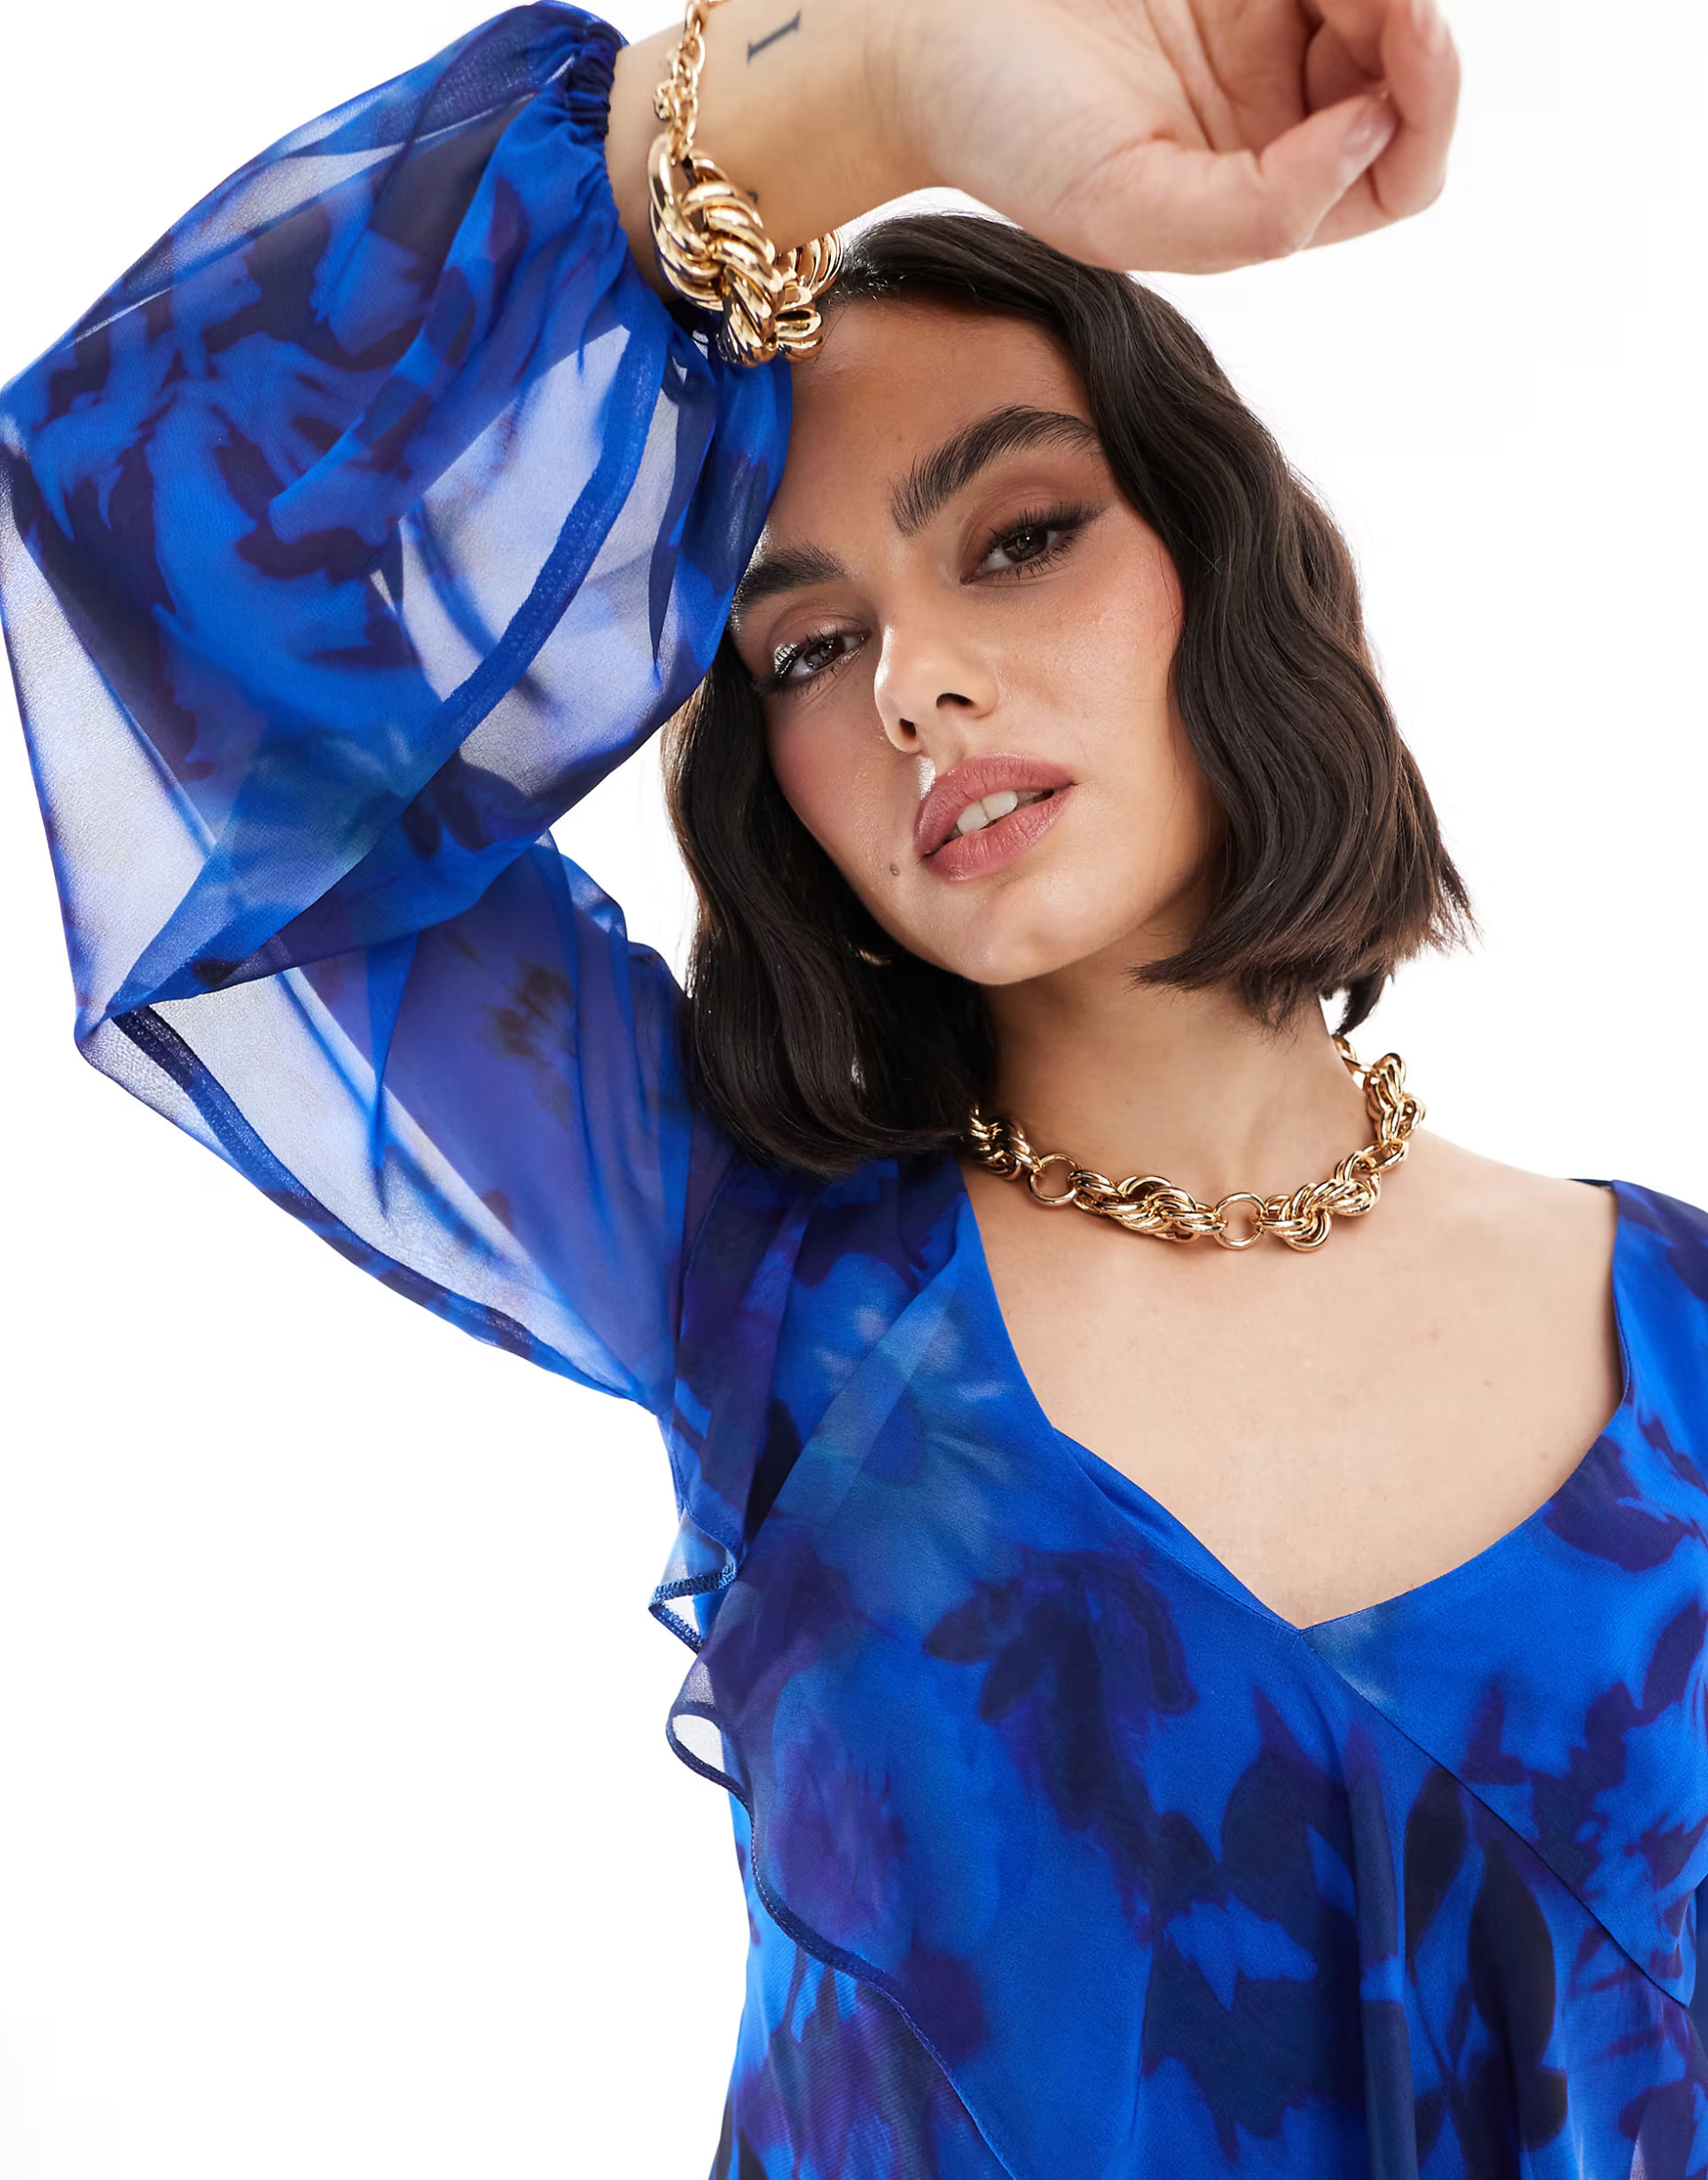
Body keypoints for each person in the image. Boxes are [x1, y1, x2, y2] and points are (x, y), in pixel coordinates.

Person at [1, 0, 1704, 2170]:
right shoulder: (741, 1258)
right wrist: (880, 83)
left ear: (1224, 560)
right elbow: (139, 558)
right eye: (809, 646)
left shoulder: (1682, 1335)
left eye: (1015, 535)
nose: (915, 684)